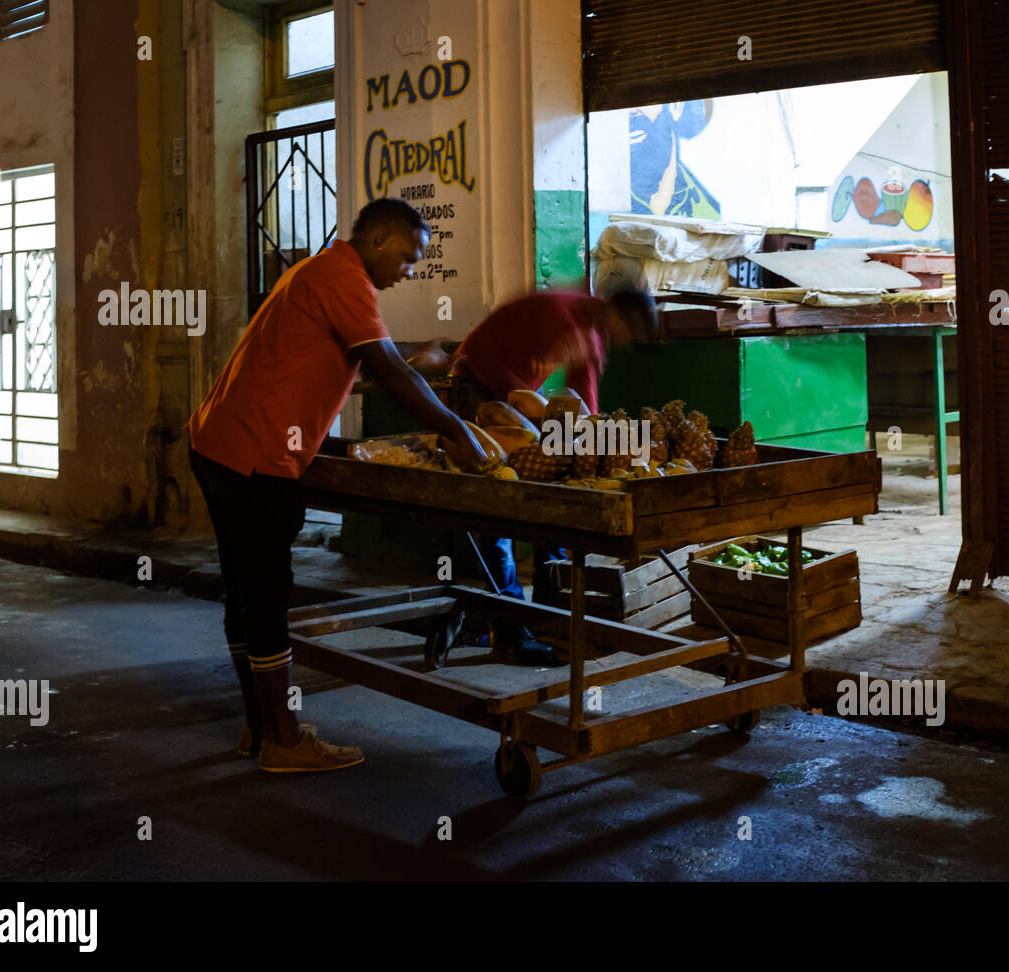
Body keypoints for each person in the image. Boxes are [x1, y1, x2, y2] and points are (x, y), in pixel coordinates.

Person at [186, 198, 488, 773]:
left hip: (218, 443)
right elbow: (382, 369)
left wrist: (411, 359)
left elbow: (364, 354)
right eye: (407, 257)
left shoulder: (319, 268)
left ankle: (261, 726)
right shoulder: (345, 277)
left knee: (245, 594)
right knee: (267, 597)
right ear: (377, 240)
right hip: (256, 456)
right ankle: (283, 739)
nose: (411, 270)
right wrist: (455, 429)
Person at [449, 288, 659, 666]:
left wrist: (592, 443)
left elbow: (585, 392)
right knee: (498, 509)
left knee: (553, 497)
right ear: (616, 312)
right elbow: (487, 362)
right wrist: (532, 416)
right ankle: (510, 631)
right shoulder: (560, 313)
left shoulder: (593, 335)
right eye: (628, 330)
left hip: (520, 394)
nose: (625, 340)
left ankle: (549, 619)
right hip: (476, 385)